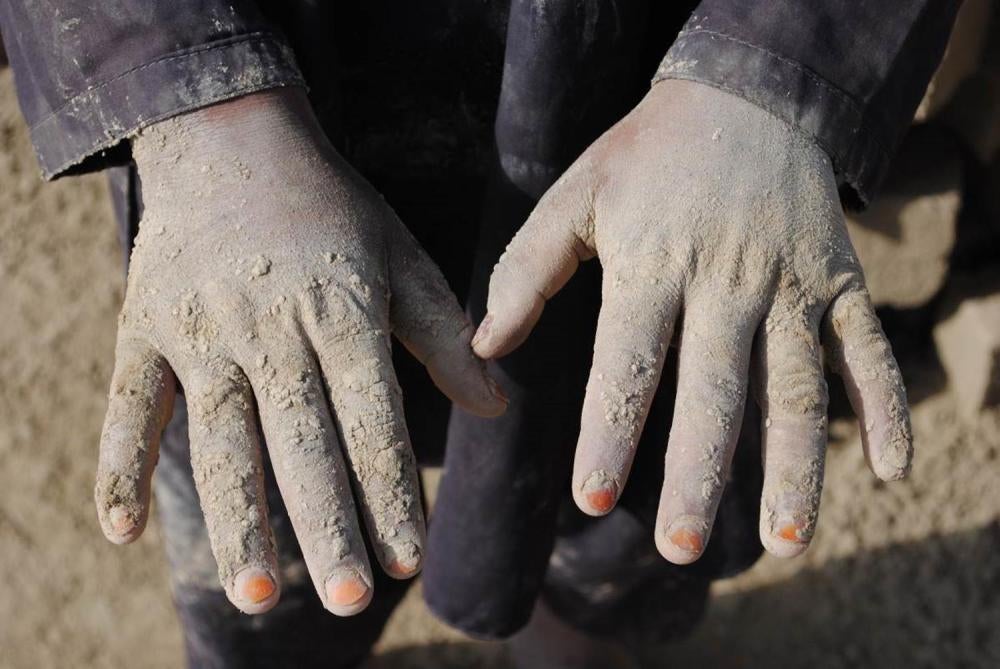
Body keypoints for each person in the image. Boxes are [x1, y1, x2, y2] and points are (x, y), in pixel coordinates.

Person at [0, 1, 960, 667]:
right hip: (251, 125)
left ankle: (569, 615)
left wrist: (772, 72)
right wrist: (193, 93)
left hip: (664, 111)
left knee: (630, 419)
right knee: (273, 469)